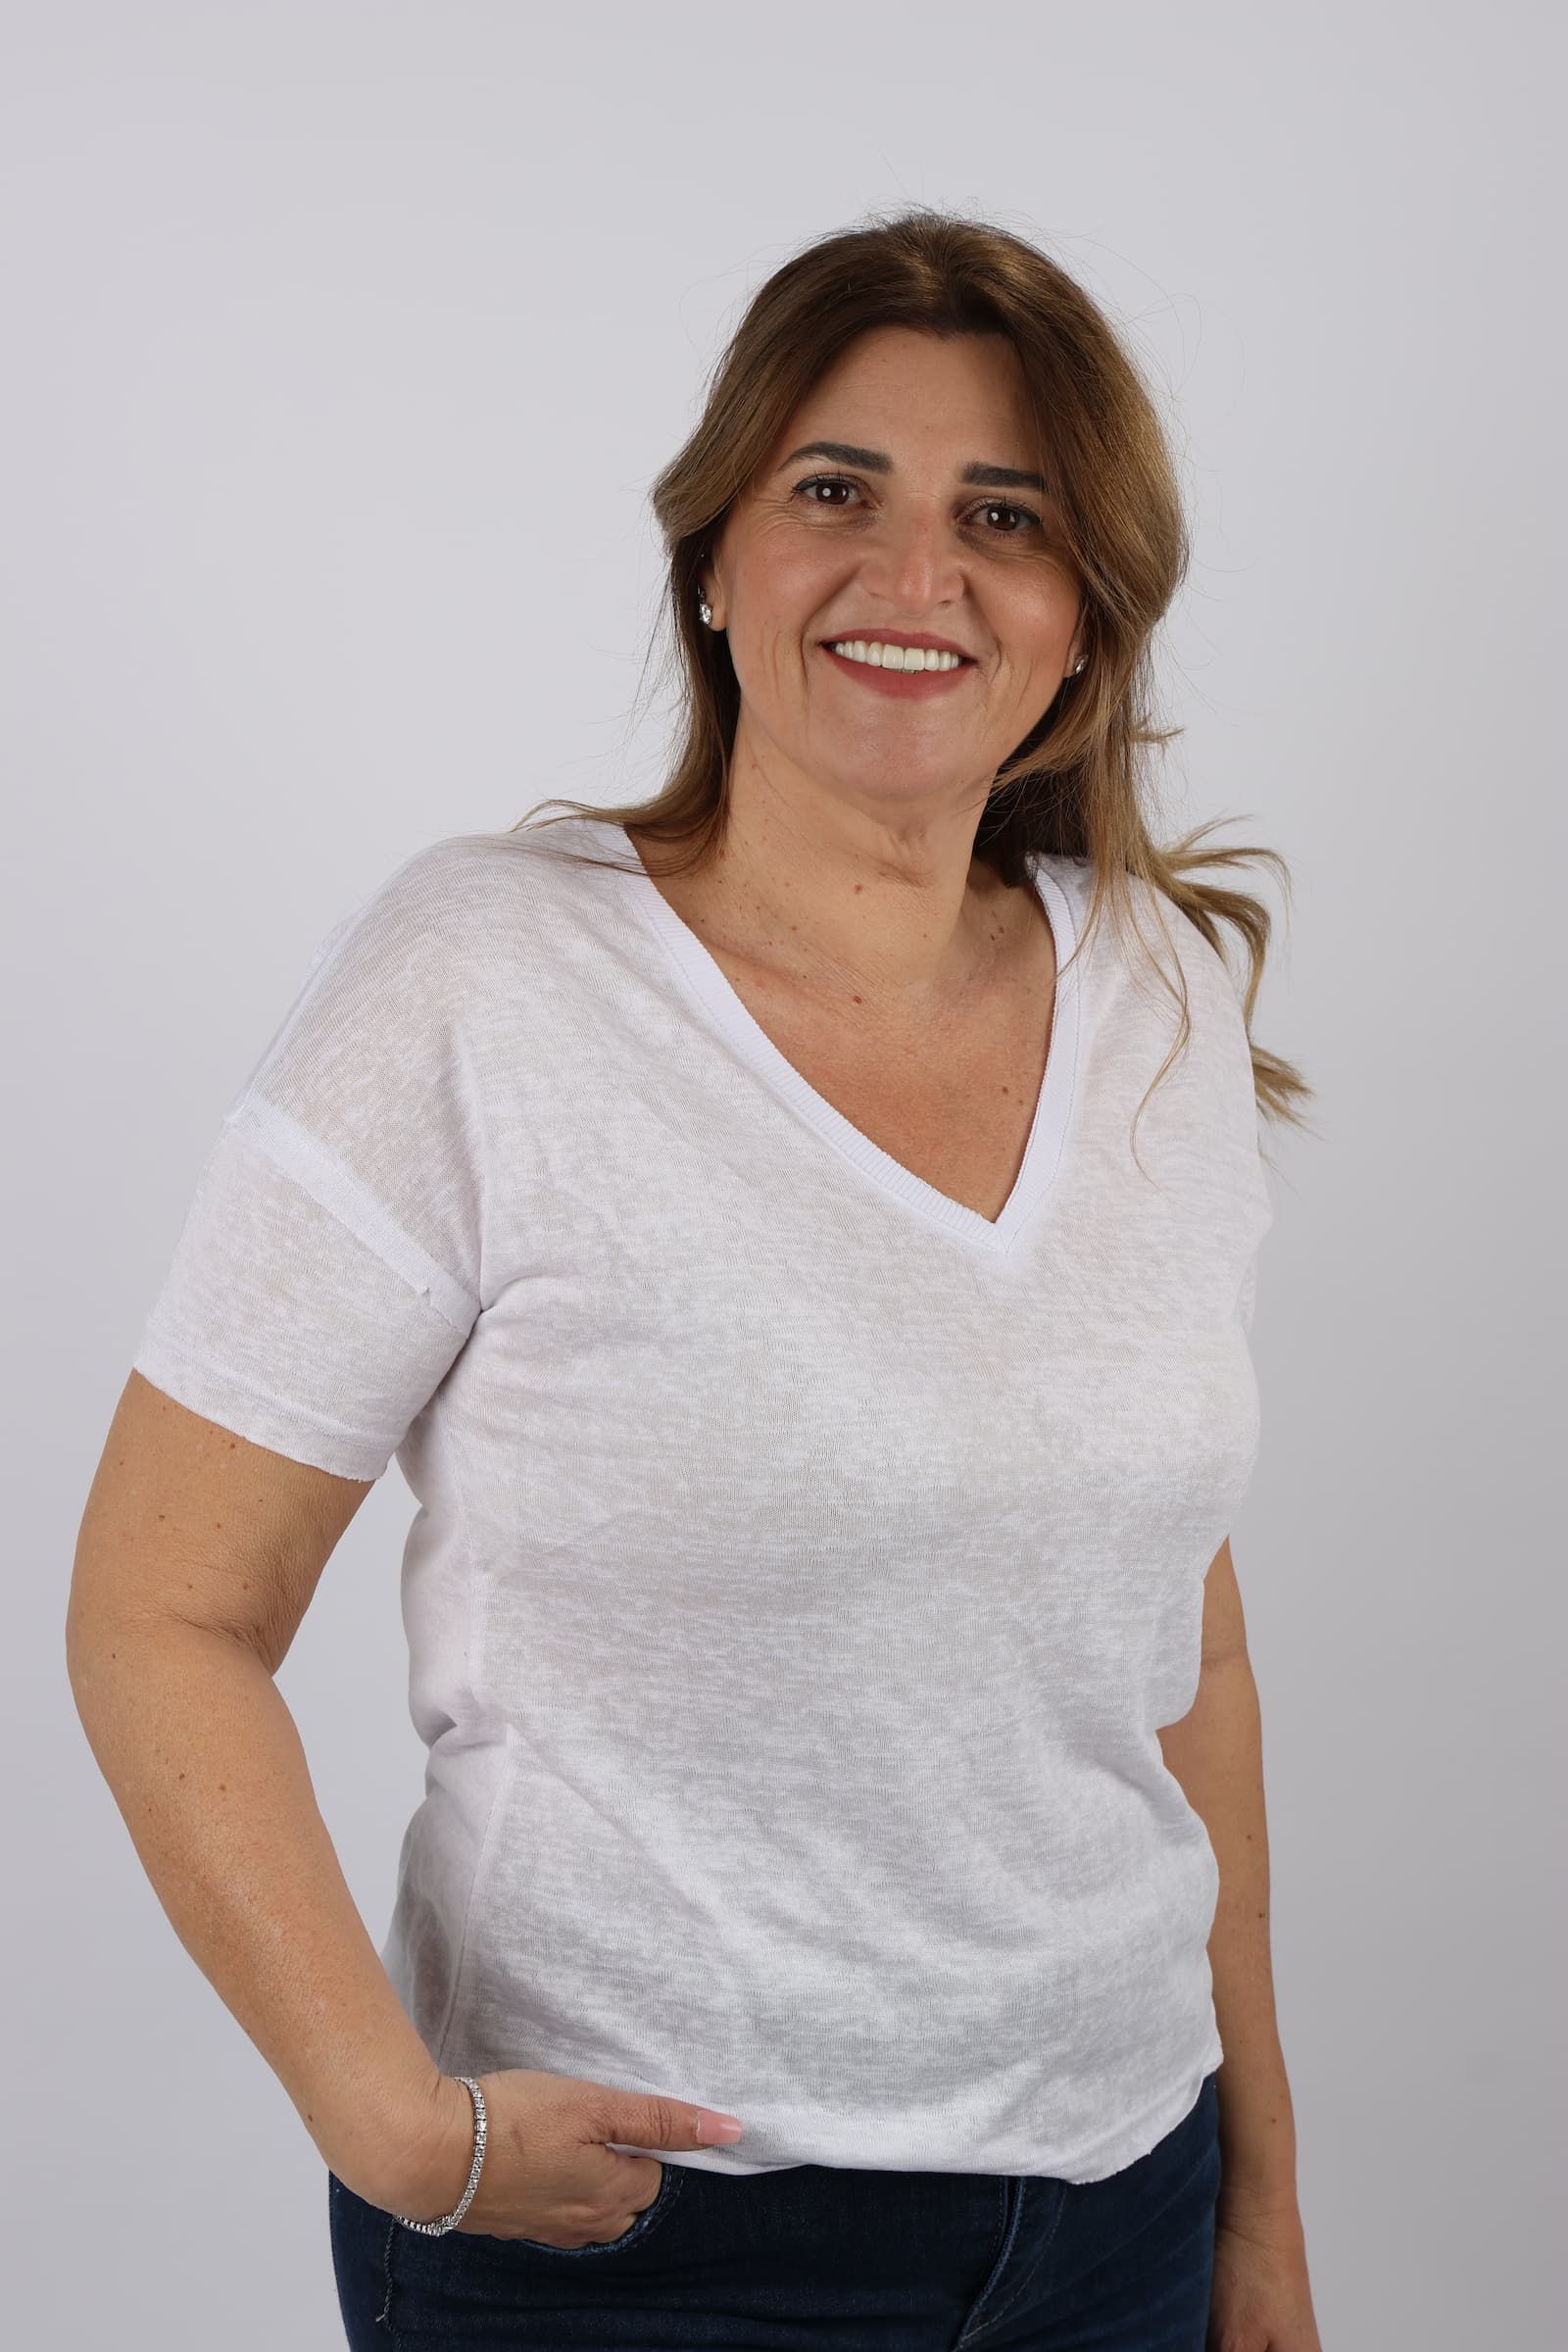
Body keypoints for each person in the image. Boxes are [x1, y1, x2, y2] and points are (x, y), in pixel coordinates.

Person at [67, 209, 1324, 2350]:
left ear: (1082, 624)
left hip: (1120, 2206)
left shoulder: (1159, 1002)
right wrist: (390, 2125)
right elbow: (162, 1611)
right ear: (716, 557)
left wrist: (1259, 2206)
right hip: (631, 2244)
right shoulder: (480, 980)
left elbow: (1179, 1646)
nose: (916, 574)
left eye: (1001, 516)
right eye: (836, 488)